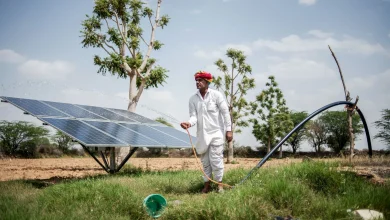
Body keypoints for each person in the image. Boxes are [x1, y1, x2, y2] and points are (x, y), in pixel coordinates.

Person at [180, 70, 233, 193]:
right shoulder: (193, 99)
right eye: (196, 81)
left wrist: (229, 130)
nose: (198, 83)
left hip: (216, 133)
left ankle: (219, 185)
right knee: (205, 161)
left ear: (207, 82)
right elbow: (193, 117)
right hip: (202, 135)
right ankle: (207, 185)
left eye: (200, 80)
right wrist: (188, 123)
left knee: (216, 159)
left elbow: (225, 113)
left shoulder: (216, 95)